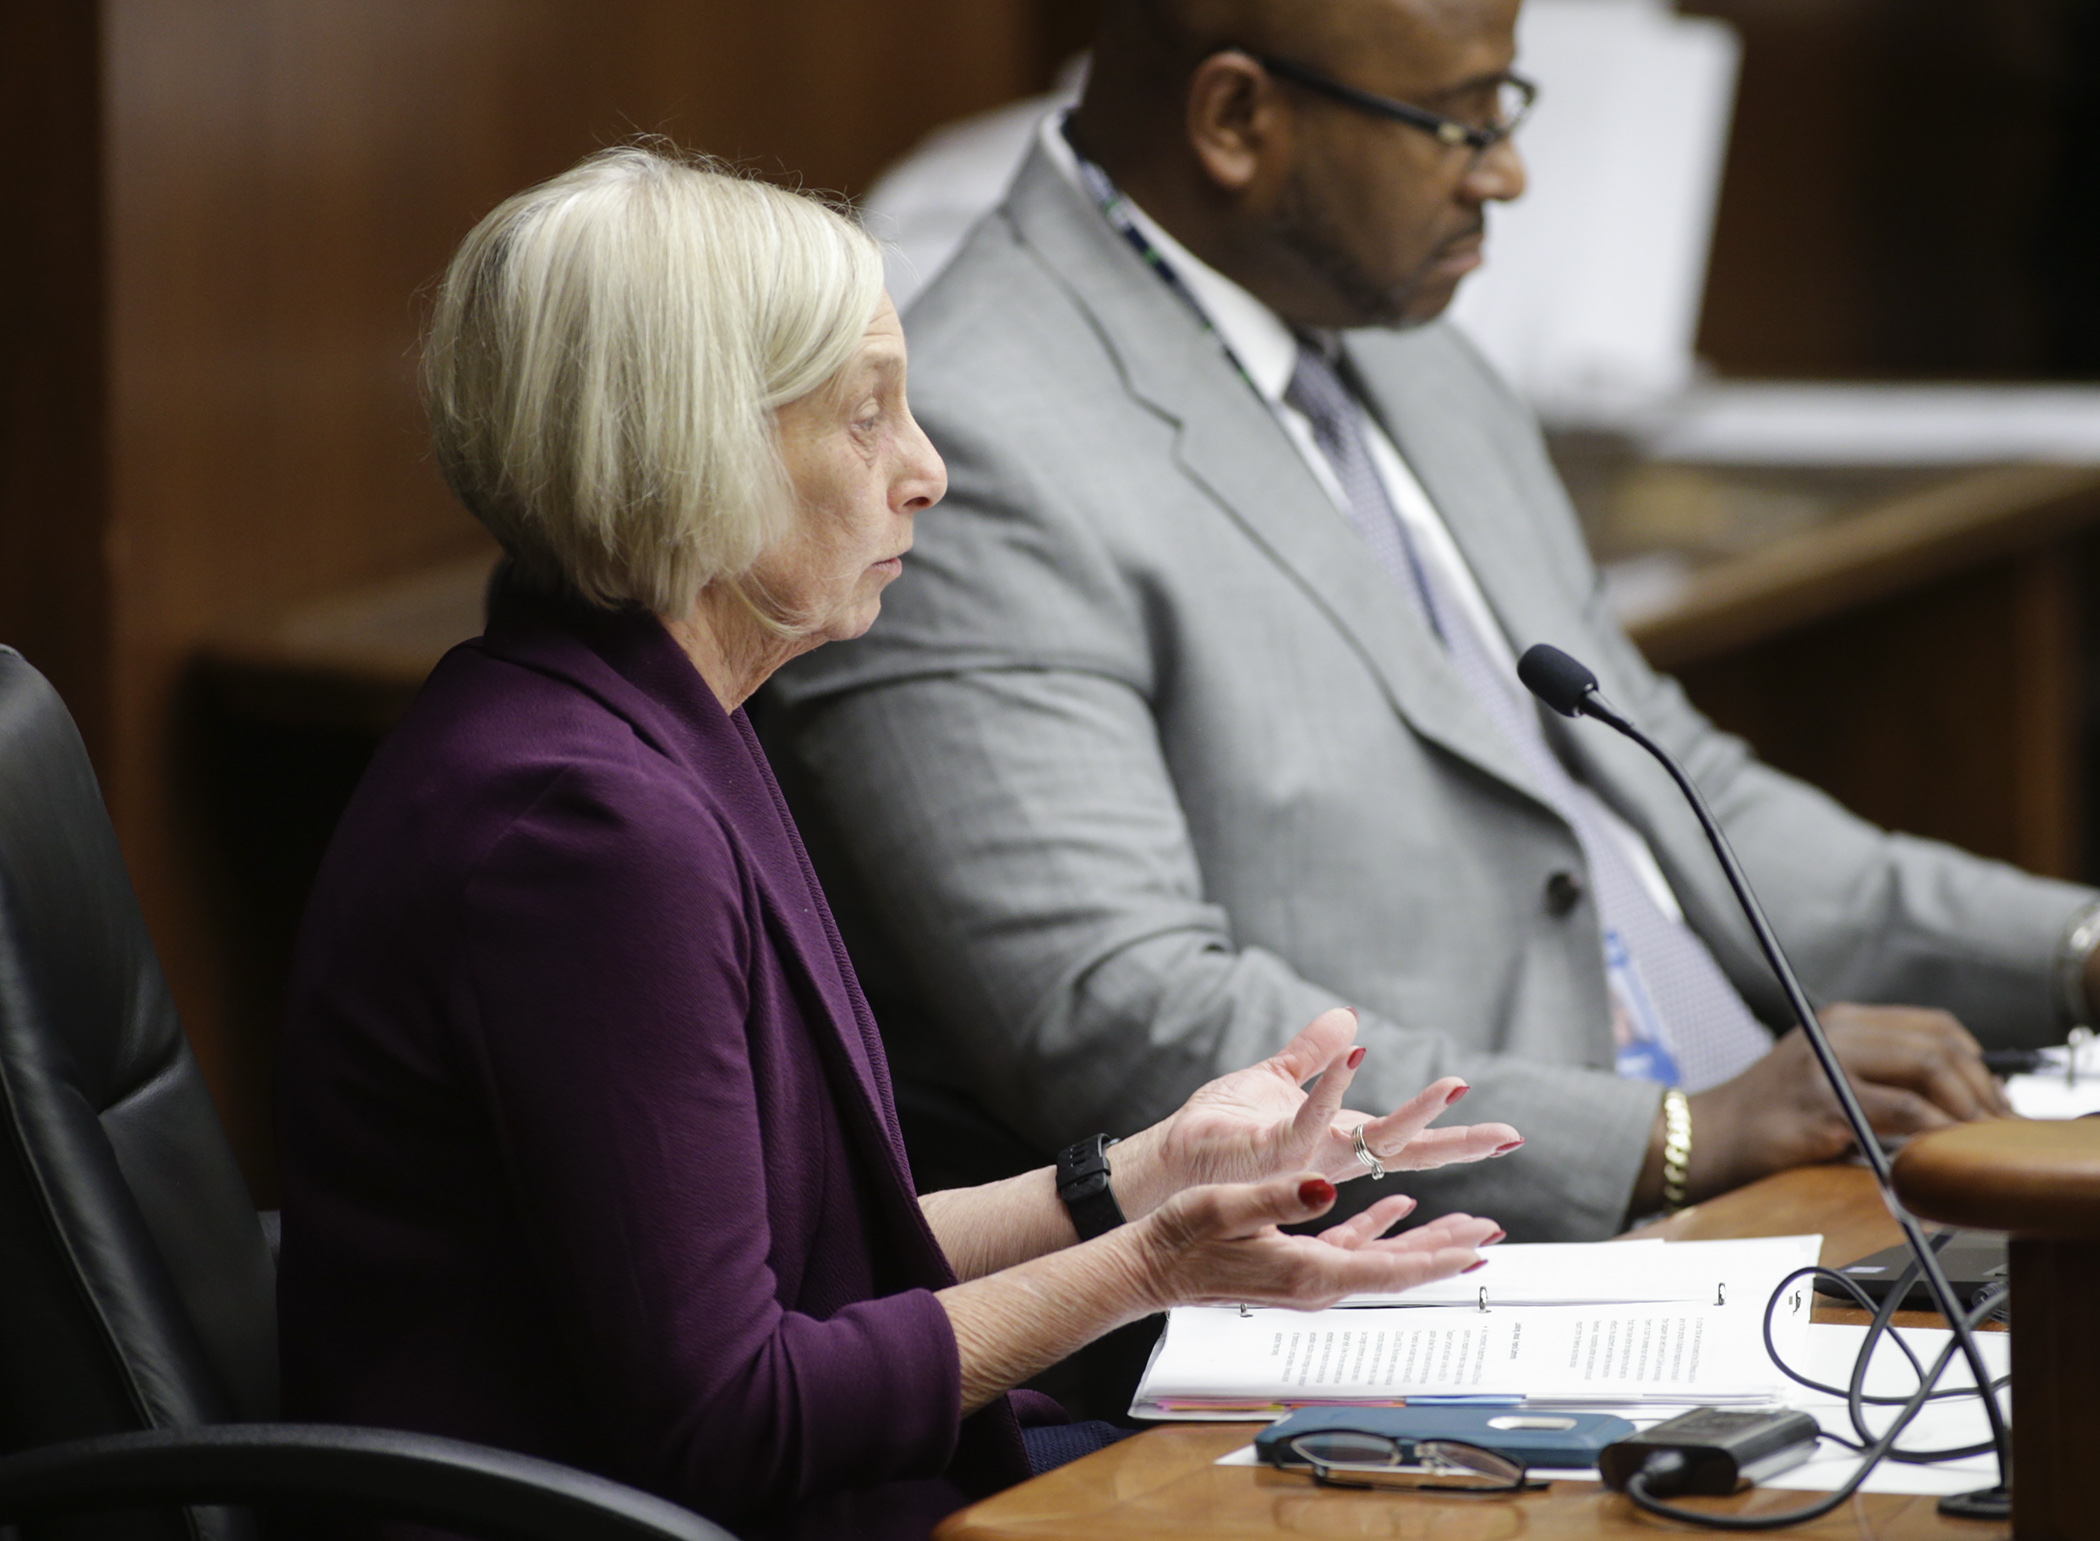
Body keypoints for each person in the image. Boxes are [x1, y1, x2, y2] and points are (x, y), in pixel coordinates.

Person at [274, 145, 1522, 1541]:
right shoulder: (579, 831)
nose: (927, 471)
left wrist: (1141, 1174)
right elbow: (736, 1410)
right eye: (866, 418)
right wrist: (1152, 1263)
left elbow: (807, 1264)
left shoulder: (653, 718)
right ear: (693, 440)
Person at [762, 0, 2093, 1247]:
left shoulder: (1399, 335)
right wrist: (1674, 1135)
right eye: (1464, 122)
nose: (1506, 176)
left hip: (1769, 1180)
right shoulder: (981, 443)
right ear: (1235, 120)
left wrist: (2069, 951)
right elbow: (1123, 1017)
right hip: (1468, 1265)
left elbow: (1684, 793)